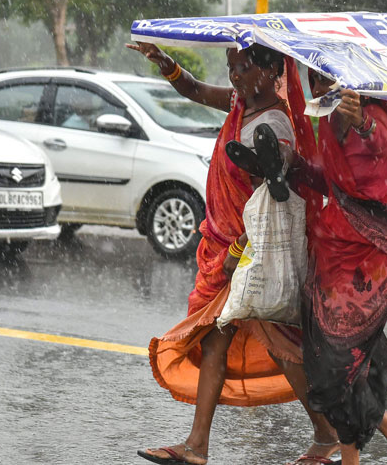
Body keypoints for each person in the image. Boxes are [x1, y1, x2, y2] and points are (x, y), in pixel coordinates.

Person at [126, 42, 339, 465]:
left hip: (248, 252)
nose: (233, 76)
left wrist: (242, 246)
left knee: (278, 342)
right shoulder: (241, 103)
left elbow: (275, 178)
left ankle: (333, 434)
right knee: (218, 343)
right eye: (231, 68)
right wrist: (167, 64)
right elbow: (196, 91)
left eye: (242, 68)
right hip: (225, 247)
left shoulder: (275, 119)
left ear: (268, 71)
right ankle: (198, 446)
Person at [290, 69, 387, 465]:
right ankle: (385, 446)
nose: (317, 87)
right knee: (343, 363)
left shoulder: (369, 108)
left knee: (336, 365)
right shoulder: (330, 119)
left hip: (371, 254)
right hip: (335, 251)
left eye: (324, 79)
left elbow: (378, 144)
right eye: (311, 78)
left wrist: (362, 122)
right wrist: (292, 165)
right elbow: (334, 184)